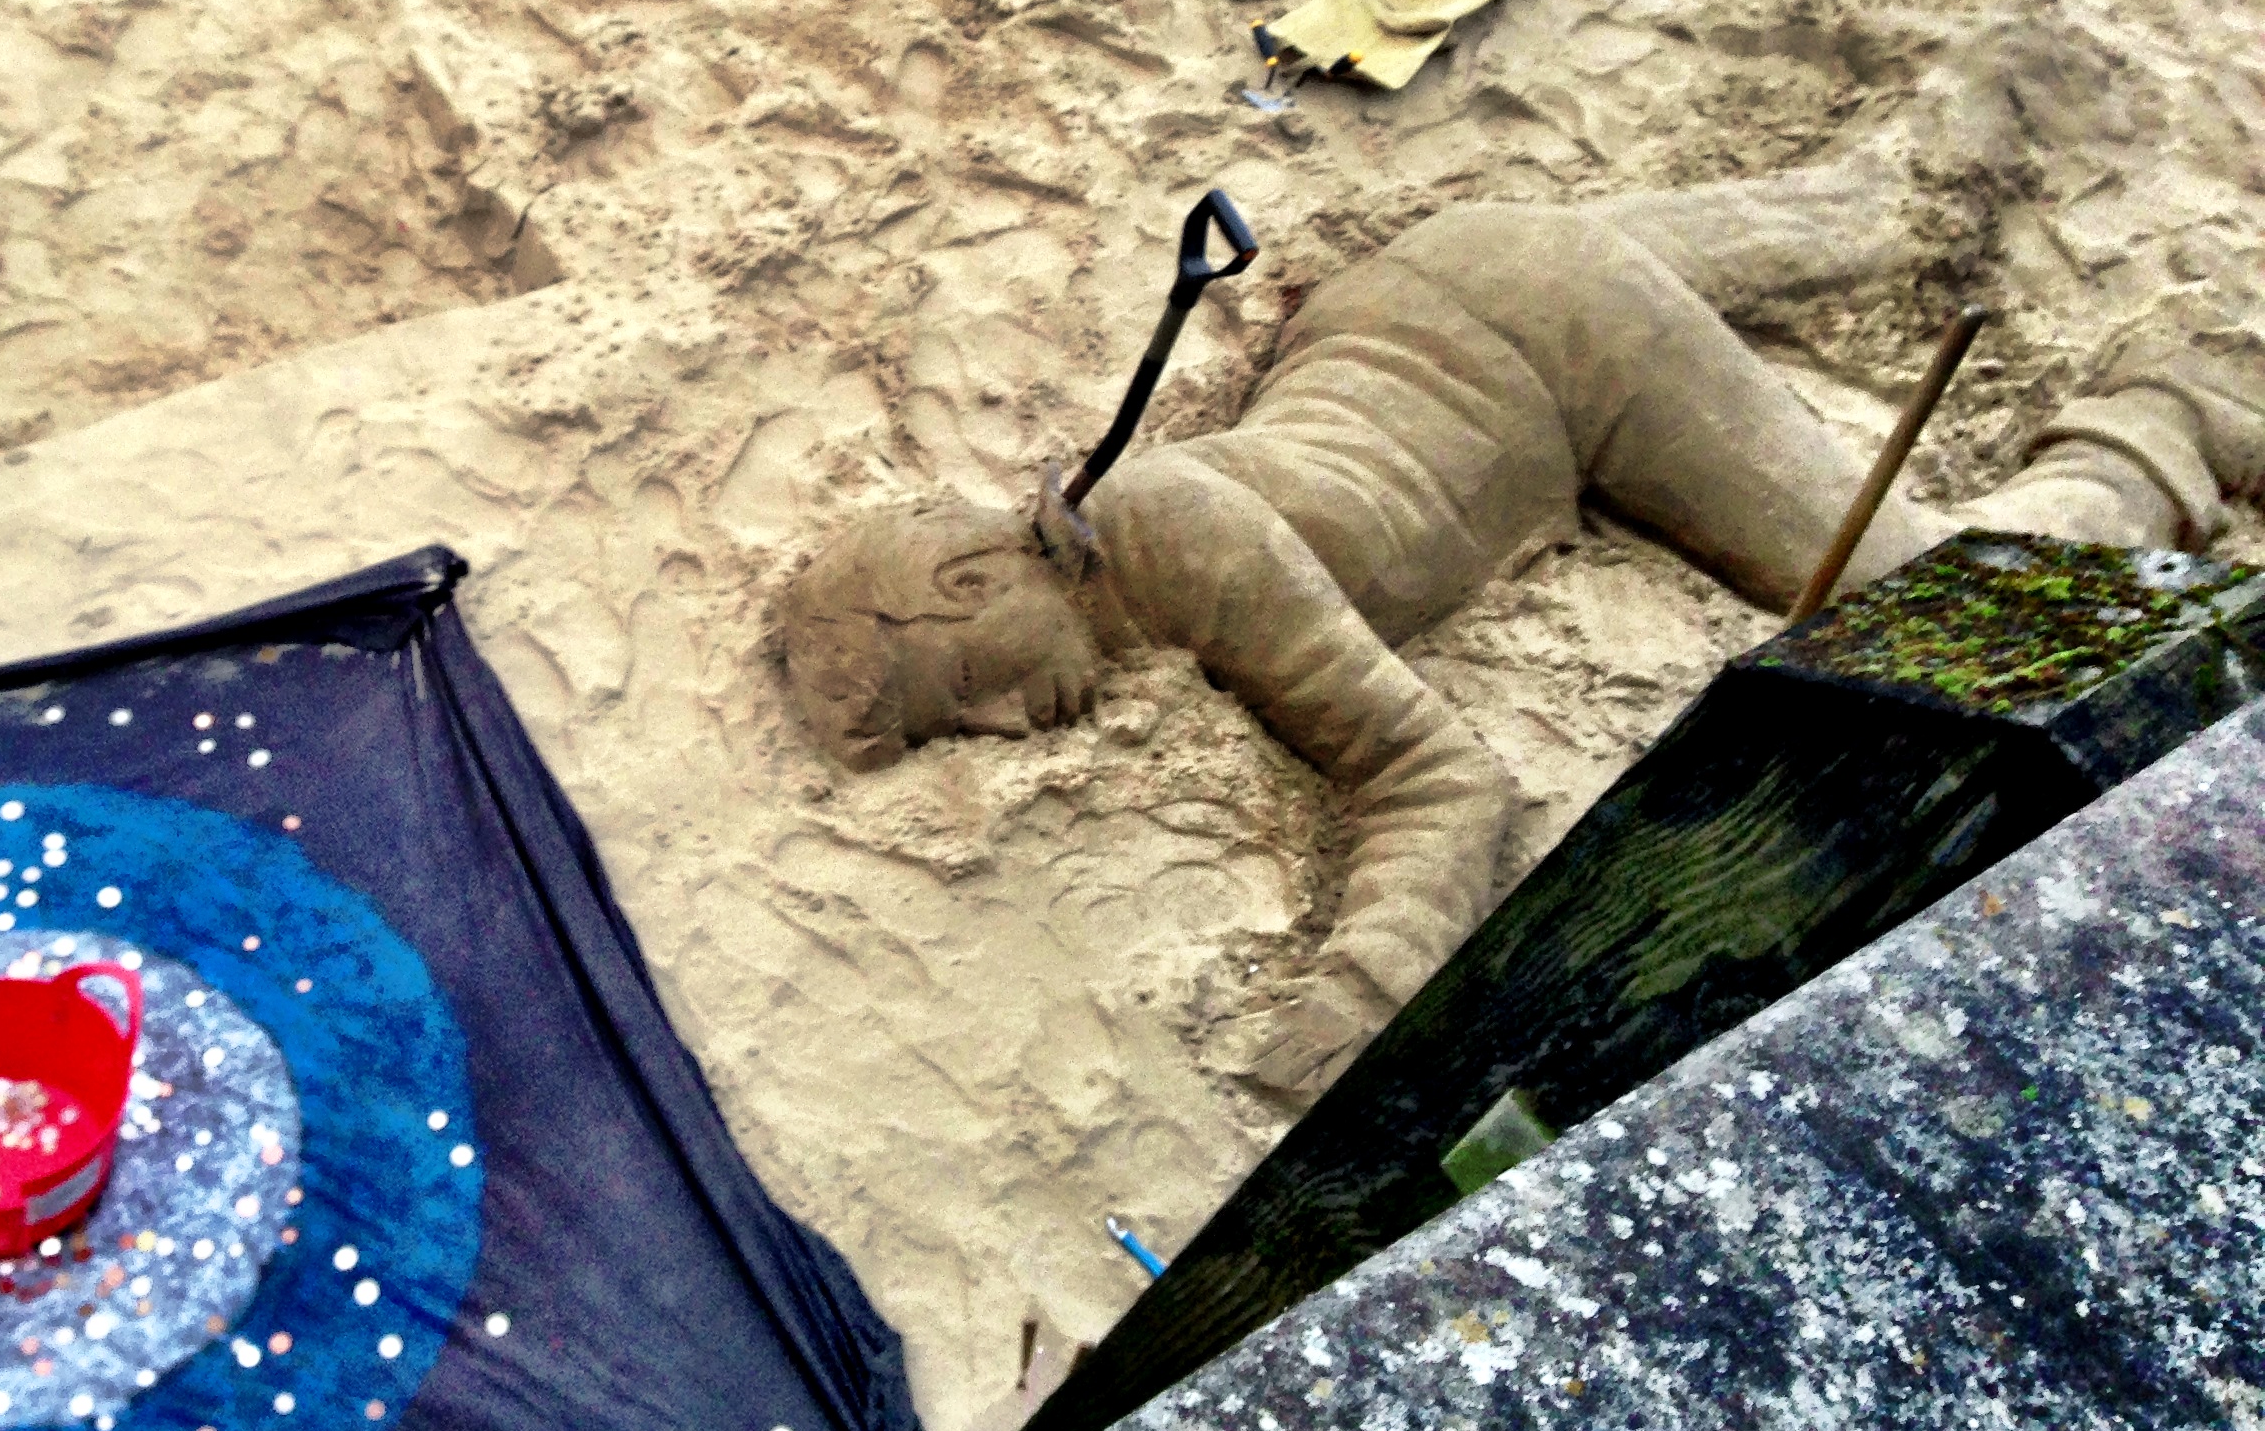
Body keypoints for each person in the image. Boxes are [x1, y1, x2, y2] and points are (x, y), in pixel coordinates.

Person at [777, 55, 2261, 1099]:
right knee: (1863, 219)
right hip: (1452, 278)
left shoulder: (1179, 544)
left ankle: (2172, 411)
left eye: (960, 694)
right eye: (956, 736)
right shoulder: (1122, 541)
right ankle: (1999, 88)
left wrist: (1363, 991)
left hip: (1554, 355)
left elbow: (1440, 777)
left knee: (1917, 588)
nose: (995, 731)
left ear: (970, 581)